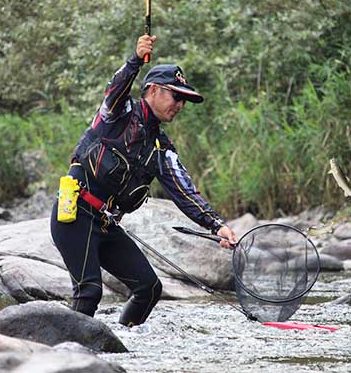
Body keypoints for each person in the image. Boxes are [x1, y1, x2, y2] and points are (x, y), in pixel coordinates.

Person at [50, 34, 238, 327]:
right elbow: (116, 87)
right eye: (176, 96)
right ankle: (69, 356)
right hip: (75, 213)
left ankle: (121, 342)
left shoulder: (162, 148)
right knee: (89, 291)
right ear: (152, 90)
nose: (180, 104)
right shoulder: (118, 113)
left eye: (185, 100)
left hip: (106, 224)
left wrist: (218, 225)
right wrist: (136, 59)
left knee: (149, 288)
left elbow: (184, 191)